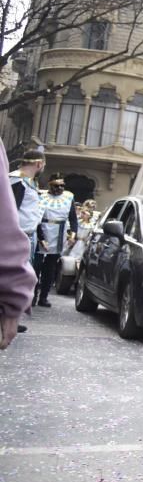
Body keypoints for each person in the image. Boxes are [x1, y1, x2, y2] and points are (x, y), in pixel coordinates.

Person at [1, 138, 39, 349]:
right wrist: (12, 301)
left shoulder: (29, 183)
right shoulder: (19, 181)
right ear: (39, 164)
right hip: (15, 240)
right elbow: (6, 215)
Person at [34, 173, 77, 307]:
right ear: (50, 185)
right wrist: (41, 238)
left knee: (50, 268)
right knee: (36, 267)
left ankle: (44, 297)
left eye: (62, 185)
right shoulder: (41, 196)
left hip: (59, 234)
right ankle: (32, 296)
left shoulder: (69, 197)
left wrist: (73, 234)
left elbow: (73, 218)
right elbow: (36, 218)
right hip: (42, 231)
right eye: (56, 185)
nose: (59, 188)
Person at [9, 149, 46, 259]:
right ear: (39, 164)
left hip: (26, 237)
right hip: (17, 238)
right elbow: (11, 211)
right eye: (44, 165)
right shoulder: (18, 180)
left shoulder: (28, 181)